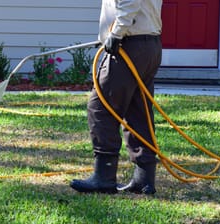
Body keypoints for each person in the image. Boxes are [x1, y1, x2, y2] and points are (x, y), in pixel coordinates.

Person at [70, 0, 163, 194]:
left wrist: (116, 34)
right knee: (138, 111)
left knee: (101, 108)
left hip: (129, 45)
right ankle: (144, 180)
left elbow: (130, 3)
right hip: (148, 45)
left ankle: (104, 177)